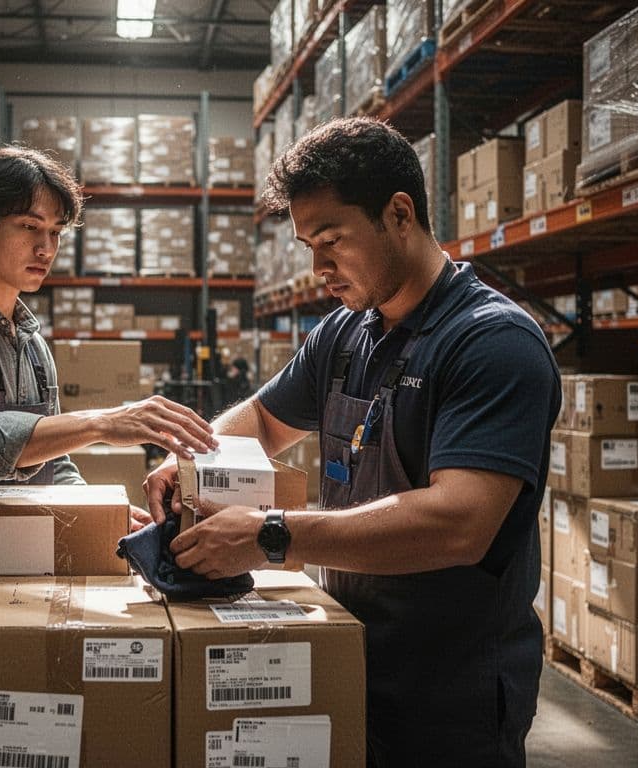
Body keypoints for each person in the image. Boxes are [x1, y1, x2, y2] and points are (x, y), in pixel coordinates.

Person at [144, 118, 561, 767]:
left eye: (331, 240)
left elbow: (462, 522)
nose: (317, 268)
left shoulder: (493, 343)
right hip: (349, 659)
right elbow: (261, 420)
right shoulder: (345, 334)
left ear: (400, 214)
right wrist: (191, 454)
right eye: (308, 244)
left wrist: (269, 534)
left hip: (449, 698)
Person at [0, 147, 217, 511]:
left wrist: (98, 514)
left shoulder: (32, 346)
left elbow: (53, 466)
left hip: (19, 550)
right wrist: (101, 423)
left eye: (56, 232)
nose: (46, 249)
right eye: (29, 227)